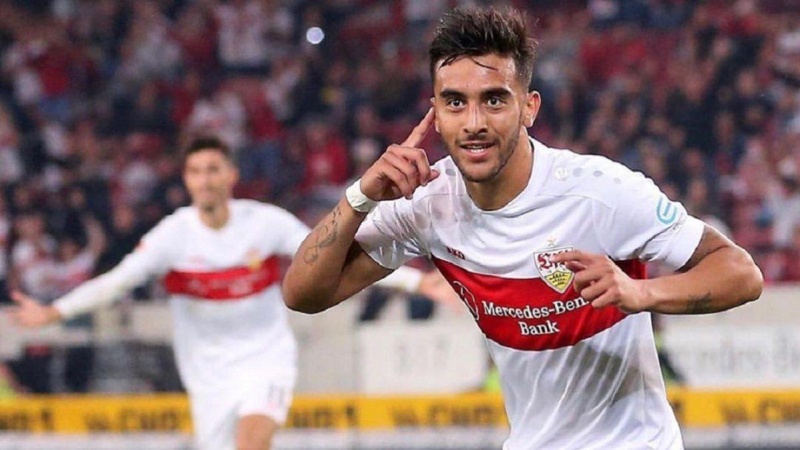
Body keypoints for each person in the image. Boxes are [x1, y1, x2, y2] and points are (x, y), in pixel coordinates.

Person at [282, 7, 763, 450]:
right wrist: (360, 197)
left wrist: (641, 293)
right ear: (435, 113)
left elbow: (741, 273)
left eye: (493, 100)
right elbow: (303, 294)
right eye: (455, 102)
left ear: (529, 107)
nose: (473, 122)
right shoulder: (426, 205)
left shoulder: (600, 193)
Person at [10, 136, 453, 450]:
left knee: (251, 444)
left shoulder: (264, 222)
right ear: (186, 179)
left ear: (231, 175)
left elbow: (330, 255)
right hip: (207, 375)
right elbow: (119, 280)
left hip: (265, 359)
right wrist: (55, 312)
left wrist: (416, 281)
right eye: (195, 172)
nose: (205, 180)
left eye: (213, 170)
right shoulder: (173, 235)